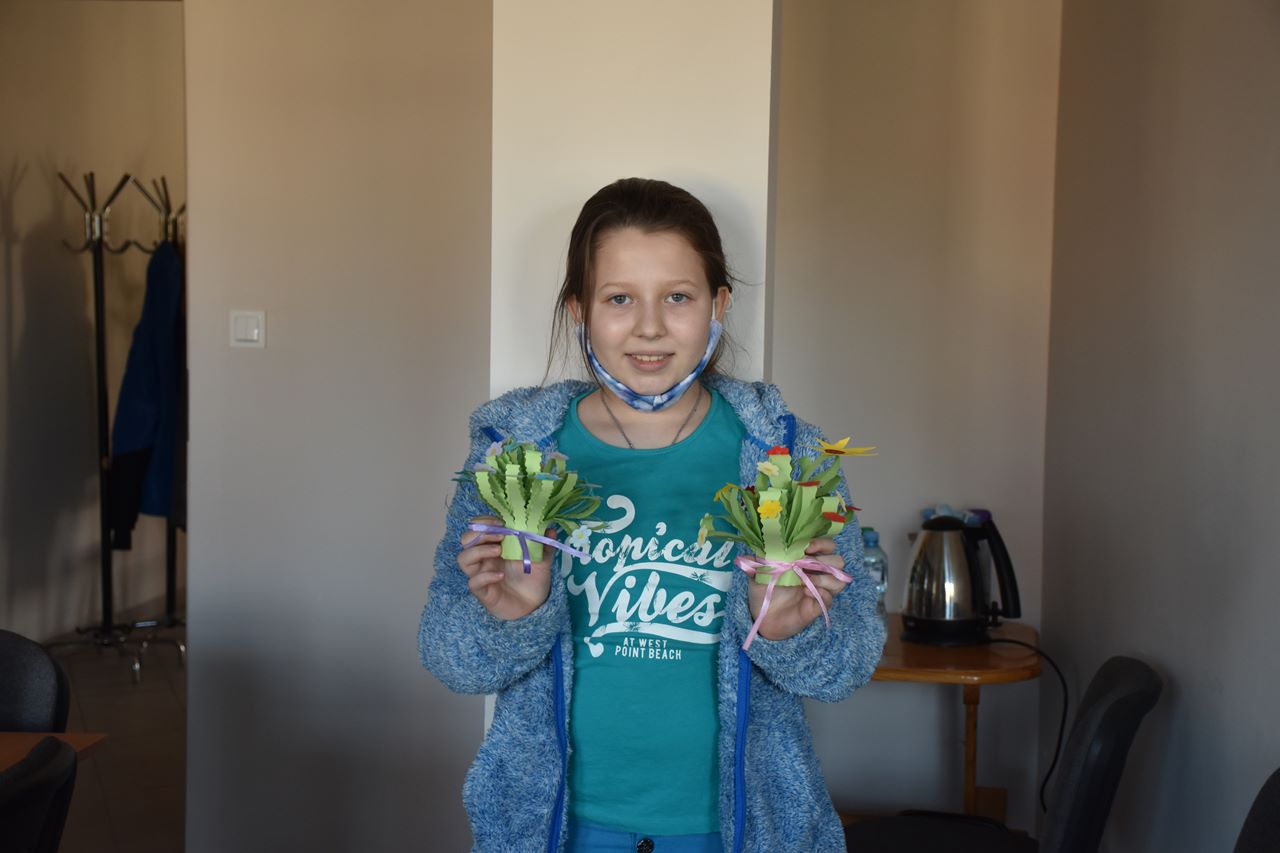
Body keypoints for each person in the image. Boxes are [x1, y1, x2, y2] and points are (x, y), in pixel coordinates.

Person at [419, 178, 886, 853]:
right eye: (619, 298)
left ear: (719, 305)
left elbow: (847, 667)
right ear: (579, 310)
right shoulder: (513, 455)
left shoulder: (789, 456)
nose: (649, 326)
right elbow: (453, 661)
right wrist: (515, 618)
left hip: (738, 834)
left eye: (678, 297)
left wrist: (787, 633)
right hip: (557, 832)